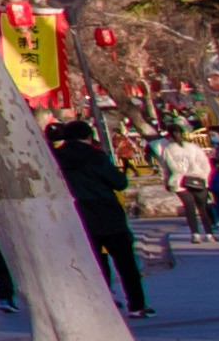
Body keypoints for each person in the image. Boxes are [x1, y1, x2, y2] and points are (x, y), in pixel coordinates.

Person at [48, 123, 153, 319]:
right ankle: (137, 305)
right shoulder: (95, 156)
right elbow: (119, 183)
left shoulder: (55, 159)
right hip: (107, 214)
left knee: (94, 263)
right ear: (88, 136)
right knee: (125, 263)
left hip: (77, 215)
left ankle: (103, 303)